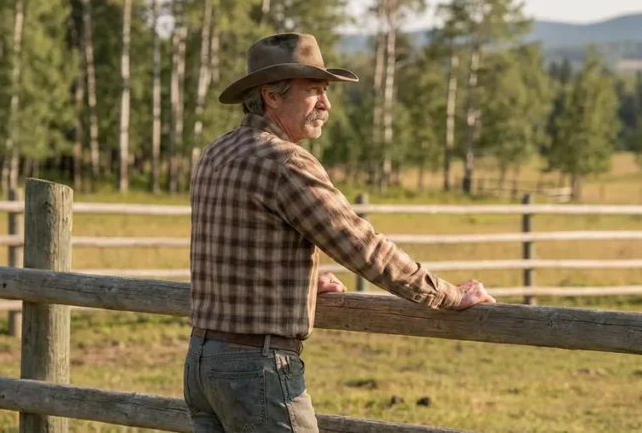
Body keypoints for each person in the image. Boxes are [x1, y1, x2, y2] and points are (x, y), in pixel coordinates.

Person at [182, 32, 496, 433]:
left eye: (326, 91)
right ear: (271, 96)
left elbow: (232, 245)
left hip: (201, 361)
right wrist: (449, 294)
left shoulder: (217, 151)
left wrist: (299, 282)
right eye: (314, 91)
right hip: (255, 367)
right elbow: (362, 247)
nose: (326, 104)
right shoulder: (286, 162)